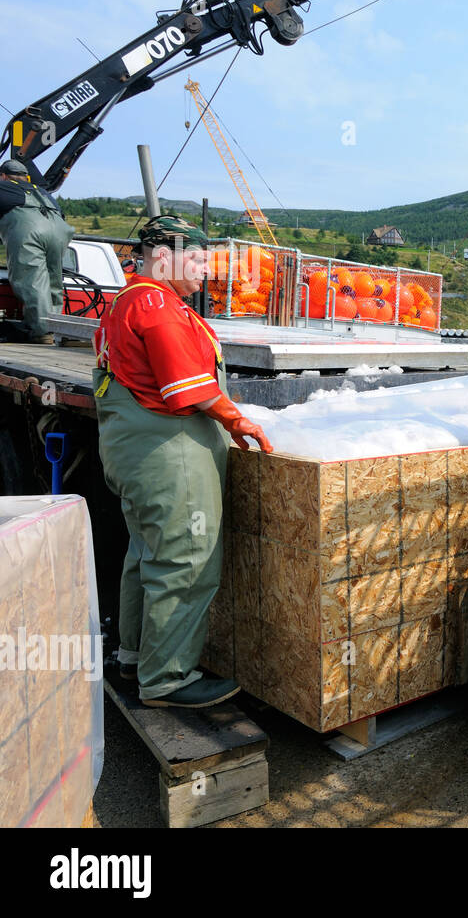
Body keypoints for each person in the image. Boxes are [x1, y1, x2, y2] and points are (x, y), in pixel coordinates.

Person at [93, 215, 273, 709]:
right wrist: (238, 421)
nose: (205, 270)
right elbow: (185, 386)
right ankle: (167, 678)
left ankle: (133, 657)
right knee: (186, 557)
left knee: (147, 554)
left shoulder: (125, 300)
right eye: (195, 258)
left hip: (132, 447)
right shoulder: (156, 304)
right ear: (163, 257)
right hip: (167, 452)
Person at [0, 159, 75, 344]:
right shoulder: (41, 191)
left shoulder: (3, 187)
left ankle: (42, 333)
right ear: (25, 177)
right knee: (53, 281)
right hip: (60, 230)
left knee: (32, 281)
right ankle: (55, 328)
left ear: (3, 176)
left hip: (30, 230)